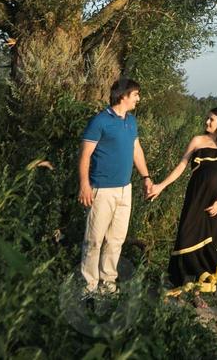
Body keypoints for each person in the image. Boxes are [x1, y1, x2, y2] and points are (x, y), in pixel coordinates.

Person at [149, 106, 217, 303]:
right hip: (196, 198)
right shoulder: (197, 141)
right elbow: (181, 166)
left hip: (215, 205)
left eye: (211, 120)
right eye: (207, 119)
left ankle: (197, 292)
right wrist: (161, 186)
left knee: (208, 242)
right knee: (186, 236)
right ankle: (181, 282)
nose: (207, 122)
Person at [78, 77, 155, 297]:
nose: (138, 99)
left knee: (116, 239)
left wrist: (146, 177)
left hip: (125, 189)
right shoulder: (100, 121)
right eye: (136, 95)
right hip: (101, 189)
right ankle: (88, 287)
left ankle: (107, 283)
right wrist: (84, 184)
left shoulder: (131, 121)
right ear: (123, 96)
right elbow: (85, 155)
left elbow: (136, 150)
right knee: (94, 239)